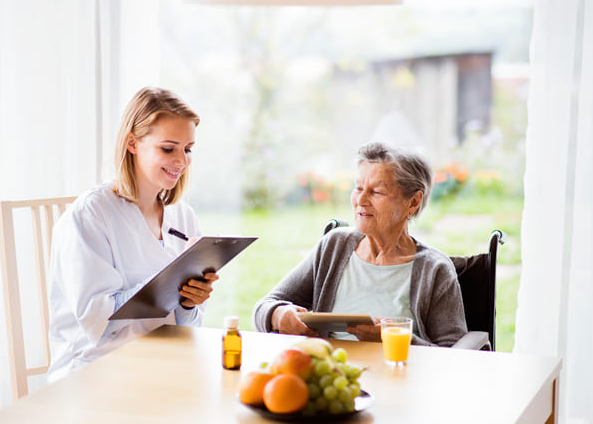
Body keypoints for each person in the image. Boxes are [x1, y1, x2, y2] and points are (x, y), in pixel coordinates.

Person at [47, 87, 218, 381]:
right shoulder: (92, 214)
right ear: (132, 144)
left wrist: (189, 302)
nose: (182, 161)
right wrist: (166, 286)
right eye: (168, 148)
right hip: (97, 371)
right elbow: (97, 320)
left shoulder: (183, 216)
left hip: (162, 364)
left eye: (187, 149)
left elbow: (187, 325)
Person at [252, 142, 467, 347]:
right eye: (358, 188)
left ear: (413, 202)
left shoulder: (435, 270)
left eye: (377, 192)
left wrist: (393, 338)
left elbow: (454, 355)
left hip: (395, 380)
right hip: (328, 373)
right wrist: (279, 315)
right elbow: (264, 307)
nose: (361, 200)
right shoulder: (334, 245)